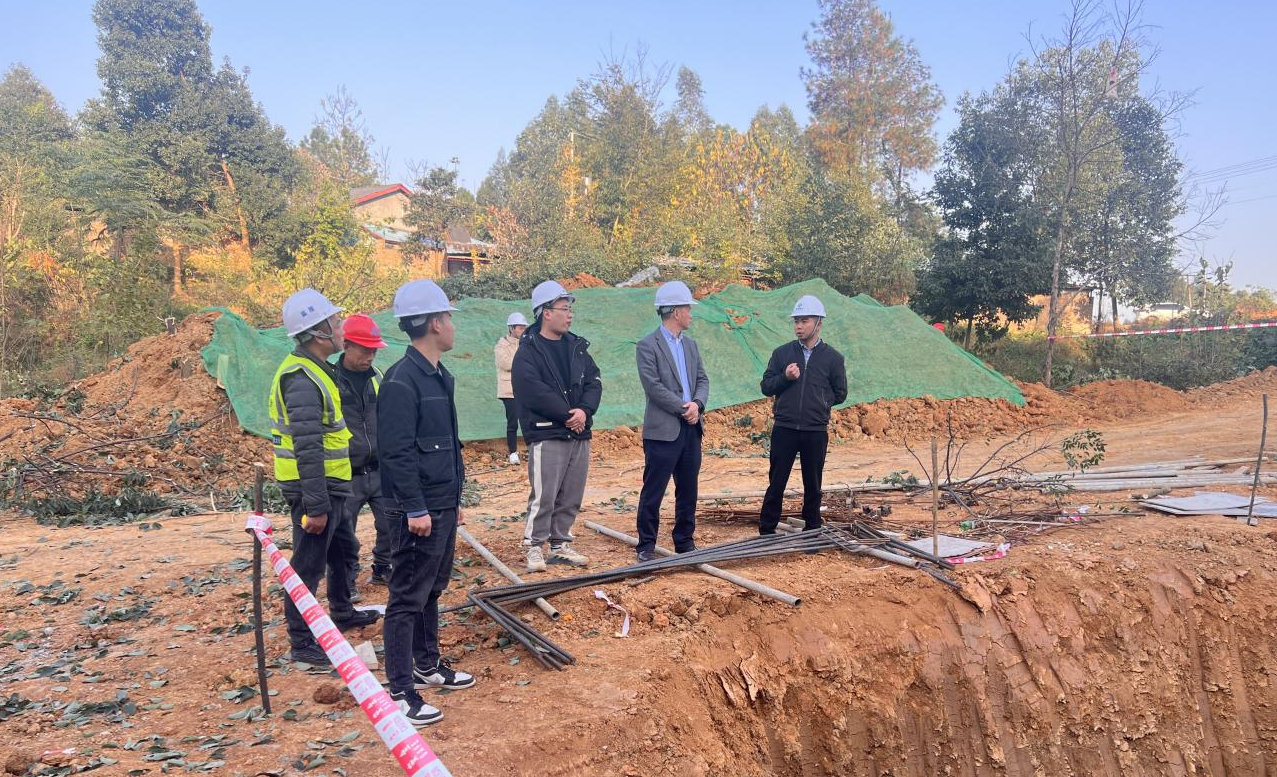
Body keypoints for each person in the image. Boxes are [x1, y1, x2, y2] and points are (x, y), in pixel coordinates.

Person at [378, 279, 476, 727]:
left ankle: (427, 663)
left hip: (441, 503)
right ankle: (400, 690)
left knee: (432, 588)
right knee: (406, 597)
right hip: (417, 510)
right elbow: (396, 453)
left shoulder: (438, 375)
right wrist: (415, 508)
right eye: (448, 317)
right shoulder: (401, 381)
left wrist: (452, 501)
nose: (452, 325)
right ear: (435, 323)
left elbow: (444, 446)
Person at [269, 289, 379, 666]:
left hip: (333, 484)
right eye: (335, 322)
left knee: (343, 548)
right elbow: (308, 446)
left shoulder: (318, 370)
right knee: (308, 564)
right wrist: (315, 506)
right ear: (318, 332)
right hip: (314, 488)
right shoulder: (301, 379)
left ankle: (343, 611)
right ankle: (302, 642)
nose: (341, 328)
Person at [512, 280, 602, 573]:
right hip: (547, 431)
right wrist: (567, 415)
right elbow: (532, 390)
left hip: (578, 430)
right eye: (564, 308)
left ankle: (560, 544)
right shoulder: (529, 351)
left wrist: (584, 411)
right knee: (545, 494)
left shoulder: (577, 347)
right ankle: (534, 546)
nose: (569, 314)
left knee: (571, 493)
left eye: (570, 309)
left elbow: (594, 381)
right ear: (546, 313)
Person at [758, 295, 848, 535]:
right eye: (796, 321)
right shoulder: (782, 353)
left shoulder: (833, 359)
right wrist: (785, 378)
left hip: (815, 430)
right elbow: (766, 386)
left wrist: (820, 402)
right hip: (785, 428)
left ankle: (812, 530)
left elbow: (840, 393)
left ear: (818, 323)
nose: (798, 326)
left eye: (804, 321)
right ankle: (766, 530)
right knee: (777, 482)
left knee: (813, 484)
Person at [634, 281, 709, 562]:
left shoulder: (691, 345)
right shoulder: (647, 346)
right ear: (676, 312)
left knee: (688, 488)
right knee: (654, 489)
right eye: (688, 308)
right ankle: (646, 546)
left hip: (691, 428)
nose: (691, 313)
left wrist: (697, 404)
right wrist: (683, 408)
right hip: (663, 432)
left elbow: (702, 379)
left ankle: (685, 542)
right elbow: (653, 386)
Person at [333, 313, 392, 595]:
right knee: (344, 532)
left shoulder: (377, 378)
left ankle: (383, 567)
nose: (370, 356)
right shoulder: (330, 380)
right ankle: (346, 581)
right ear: (346, 345)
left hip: (379, 468)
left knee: (391, 523)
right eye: (365, 350)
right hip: (347, 472)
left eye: (374, 351)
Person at [494, 311, 529, 465]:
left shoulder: (526, 344)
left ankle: (532, 448)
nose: (523, 330)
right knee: (513, 422)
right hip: (508, 390)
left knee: (528, 420)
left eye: (524, 327)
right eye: (520, 328)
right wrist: (523, 362)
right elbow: (506, 364)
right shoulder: (501, 346)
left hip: (525, 389)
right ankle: (513, 452)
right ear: (511, 328)